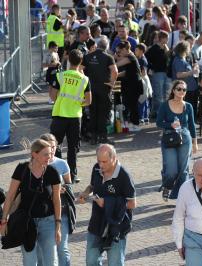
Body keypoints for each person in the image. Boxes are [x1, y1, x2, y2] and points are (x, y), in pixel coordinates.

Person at [0, 139, 62, 265]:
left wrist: (58, 225)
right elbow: (10, 195)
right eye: (46, 154)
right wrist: (4, 220)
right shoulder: (22, 169)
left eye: (50, 153)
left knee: (50, 261)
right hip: (26, 222)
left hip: (48, 222)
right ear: (34, 154)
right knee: (29, 261)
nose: (49, 157)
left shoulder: (52, 172)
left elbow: (57, 199)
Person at [78, 144, 137, 266]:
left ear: (114, 158)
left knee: (115, 263)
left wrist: (107, 203)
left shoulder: (124, 176)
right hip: (97, 222)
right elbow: (93, 186)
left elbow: (132, 203)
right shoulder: (96, 168)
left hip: (116, 227)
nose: (101, 165)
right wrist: (85, 192)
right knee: (91, 261)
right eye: (99, 161)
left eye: (104, 161)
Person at [49, 49, 92, 184]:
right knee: (73, 147)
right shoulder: (84, 79)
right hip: (75, 117)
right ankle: (72, 176)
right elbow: (88, 101)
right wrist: (78, 103)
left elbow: (52, 96)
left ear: (68, 60)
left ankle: (56, 174)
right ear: (81, 62)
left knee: (55, 145)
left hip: (59, 115)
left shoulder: (60, 76)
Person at [156, 80, 198, 201]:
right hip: (169, 138)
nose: (181, 92)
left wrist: (195, 142)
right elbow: (159, 123)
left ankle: (182, 196)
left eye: (184, 90)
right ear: (173, 90)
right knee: (171, 170)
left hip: (185, 138)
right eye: (179, 89)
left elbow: (192, 125)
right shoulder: (165, 105)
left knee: (183, 169)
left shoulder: (188, 106)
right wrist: (170, 125)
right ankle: (167, 186)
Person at [39, 133, 75, 266]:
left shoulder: (62, 163)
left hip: (62, 211)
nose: (52, 150)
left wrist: (63, 188)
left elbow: (69, 185)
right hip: (43, 213)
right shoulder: (36, 163)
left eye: (54, 147)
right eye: (49, 147)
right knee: (43, 249)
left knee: (62, 248)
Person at [82, 37, 118, 145]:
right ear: (107, 46)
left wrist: (85, 82)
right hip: (104, 89)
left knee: (93, 112)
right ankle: (103, 137)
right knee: (103, 113)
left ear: (97, 45)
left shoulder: (87, 57)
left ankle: (93, 137)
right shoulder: (108, 57)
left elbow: (80, 69)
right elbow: (115, 71)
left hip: (90, 89)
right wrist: (111, 84)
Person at [115, 41, 144, 132]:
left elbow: (116, 65)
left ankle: (136, 124)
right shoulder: (130, 57)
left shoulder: (130, 57)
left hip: (134, 84)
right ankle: (132, 123)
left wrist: (110, 60)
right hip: (130, 84)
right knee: (129, 104)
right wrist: (117, 75)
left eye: (119, 52)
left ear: (124, 49)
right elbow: (126, 72)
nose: (118, 54)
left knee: (133, 104)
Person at [172, 41, 200, 120]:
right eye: (189, 48)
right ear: (184, 49)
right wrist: (192, 72)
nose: (190, 49)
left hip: (191, 88)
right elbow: (179, 75)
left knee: (192, 107)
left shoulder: (184, 58)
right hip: (185, 89)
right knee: (186, 108)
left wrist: (194, 67)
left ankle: (191, 123)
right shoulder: (178, 60)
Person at [145, 30, 170, 118]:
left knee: (166, 93)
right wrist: (151, 68)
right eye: (166, 38)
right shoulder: (153, 48)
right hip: (158, 73)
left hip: (166, 73)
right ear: (161, 38)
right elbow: (146, 59)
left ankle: (158, 112)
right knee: (158, 94)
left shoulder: (166, 48)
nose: (168, 39)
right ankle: (159, 113)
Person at [135, 43, 152, 124]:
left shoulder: (142, 60)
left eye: (136, 50)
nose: (135, 51)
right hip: (144, 81)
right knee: (145, 100)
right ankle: (145, 117)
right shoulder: (141, 58)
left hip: (142, 81)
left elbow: (144, 72)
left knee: (141, 100)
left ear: (141, 51)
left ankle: (141, 117)